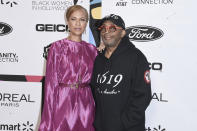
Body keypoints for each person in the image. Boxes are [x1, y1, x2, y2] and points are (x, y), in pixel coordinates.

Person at [39, 5, 97, 131]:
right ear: (67, 21)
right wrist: (47, 121)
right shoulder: (57, 47)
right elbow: (50, 85)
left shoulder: (92, 50)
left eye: (82, 20)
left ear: (86, 23)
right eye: (73, 19)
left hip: (86, 104)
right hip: (63, 103)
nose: (77, 23)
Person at [90, 14, 152, 131]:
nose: (106, 32)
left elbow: (143, 96)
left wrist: (124, 123)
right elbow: (95, 91)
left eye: (112, 28)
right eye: (103, 28)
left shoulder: (137, 57)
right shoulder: (98, 60)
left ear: (122, 33)